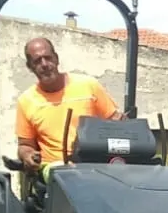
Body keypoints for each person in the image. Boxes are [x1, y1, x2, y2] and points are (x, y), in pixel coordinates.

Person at [14, 36, 124, 170]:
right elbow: (25, 144)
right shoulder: (26, 100)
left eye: (48, 58)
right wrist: (28, 155)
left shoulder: (89, 86)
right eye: (37, 61)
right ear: (30, 67)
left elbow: (116, 122)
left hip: (93, 165)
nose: (44, 64)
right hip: (54, 169)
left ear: (56, 59)